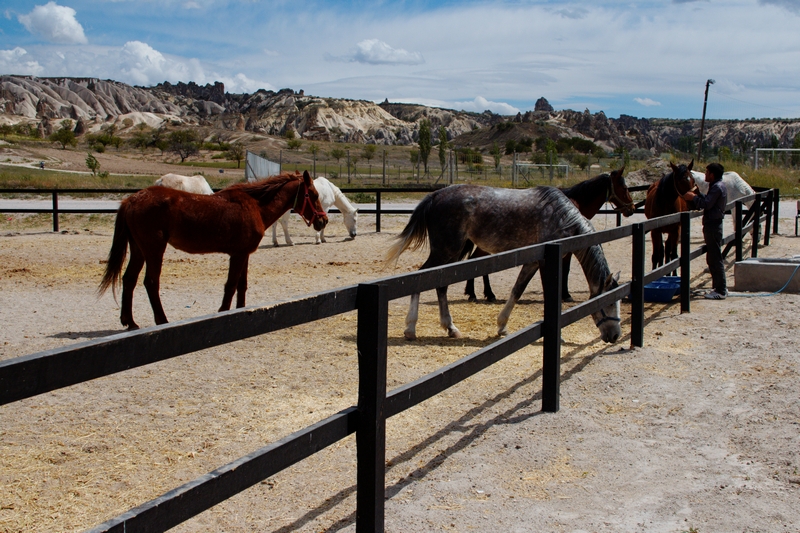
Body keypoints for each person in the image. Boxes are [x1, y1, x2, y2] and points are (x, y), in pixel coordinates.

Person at [682, 162, 728, 299]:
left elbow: (707, 204)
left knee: (715, 258)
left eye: (707, 173)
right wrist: (699, 195)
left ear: (712, 175)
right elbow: (708, 200)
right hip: (713, 224)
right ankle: (718, 288)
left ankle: (720, 290)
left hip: (713, 225)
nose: (705, 175)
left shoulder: (716, 188)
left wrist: (693, 198)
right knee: (713, 257)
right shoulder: (718, 186)